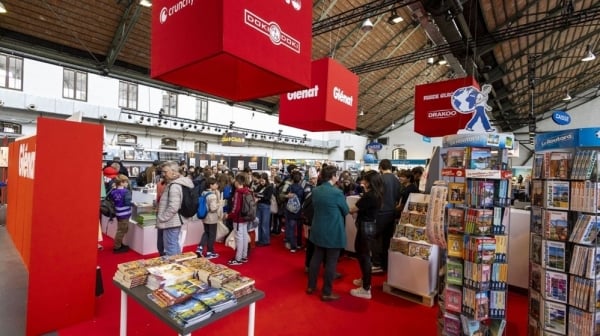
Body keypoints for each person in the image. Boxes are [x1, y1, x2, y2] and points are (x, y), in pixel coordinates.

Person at [307, 165, 349, 301]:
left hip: (318, 228)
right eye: (336, 174)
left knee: (316, 258)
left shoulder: (316, 190)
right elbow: (346, 210)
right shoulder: (336, 192)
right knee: (331, 262)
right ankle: (326, 292)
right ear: (332, 176)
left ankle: (311, 286)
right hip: (333, 230)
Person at [348, 170, 384, 299]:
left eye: (364, 180)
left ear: (370, 182)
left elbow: (353, 209)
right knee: (363, 254)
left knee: (364, 256)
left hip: (365, 227)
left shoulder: (370, 196)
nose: (362, 182)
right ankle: (364, 280)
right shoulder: (377, 194)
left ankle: (366, 288)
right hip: (369, 225)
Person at [157, 161, 195, 256]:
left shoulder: (174, 186)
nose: (163, 174)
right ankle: (178, 266)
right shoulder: (177, 184)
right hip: (175, 220)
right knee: (173, 243)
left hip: (172, 221)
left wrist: (162, 218)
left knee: (170, 246)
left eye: (165, 172)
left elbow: (173, 207)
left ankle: (174, 268)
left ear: (173, 172)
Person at [372, 159, 401, 273]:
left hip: (380, 212)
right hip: (391, 212)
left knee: (374, 238)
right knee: (387, 240)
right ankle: (385, 263)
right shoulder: (397, 180)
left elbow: (376, 195)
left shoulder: (380, 179)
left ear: (380, 167)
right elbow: (398, 197)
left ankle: (376, 263)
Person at [226, 173, 253, 266]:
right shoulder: (247, 191)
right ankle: (244, 256)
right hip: (245, 217)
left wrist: (229, 216)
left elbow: (236, 208)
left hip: (238, 219)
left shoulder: (238, 192)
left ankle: (238, 258)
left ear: (237, 181)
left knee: (239, 238)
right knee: (244, 236)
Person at [195, 177, 222, 259]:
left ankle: (200, 247)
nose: (217, 185)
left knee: (206, 232)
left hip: (205, 217)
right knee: (212, 235)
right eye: (215, 184)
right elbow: (213, 208)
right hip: (212, 218)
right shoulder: (212, 196)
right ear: (211, 185)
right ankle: (210, 252)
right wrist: (220, 203)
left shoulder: (204, 192)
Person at [109, 174, 132, 253]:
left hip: (118, 213)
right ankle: (117, 247)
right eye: (126, 182)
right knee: (121, 230)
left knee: (121, 229)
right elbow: (128, 202)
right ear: (121, 183)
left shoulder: (113, 191)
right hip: (125, 213)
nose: (127, 184)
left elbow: (112, 200)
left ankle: (119, 243)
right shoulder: (126, 192)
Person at [254, 172, 274, 246]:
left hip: (265, 206)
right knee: (258, 223)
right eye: (260, 181)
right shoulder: (259, 186)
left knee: (264, 224)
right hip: (259, 206)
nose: (261, 182)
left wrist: (259, 196)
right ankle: (258, 239)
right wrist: (259, 195)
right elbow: (256, 193)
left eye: (263, 181)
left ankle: (265, 240)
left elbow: (267, 197)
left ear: (266, 180)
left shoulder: (269, 187)